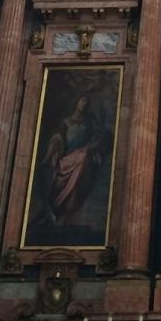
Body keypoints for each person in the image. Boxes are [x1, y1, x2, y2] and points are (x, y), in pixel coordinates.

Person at [33, 94, 103, 227]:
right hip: (67, 159)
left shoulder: (89, 123)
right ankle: (50, 214)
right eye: (83, 100)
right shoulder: (66, 122)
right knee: (58, 187)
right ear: (76, 102)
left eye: (87, 102)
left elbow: (95, 139)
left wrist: (92, 146)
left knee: (77, 188)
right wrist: (48, 157)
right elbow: (57, 139)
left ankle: (64, 218)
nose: (85, 104)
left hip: (82, 158)